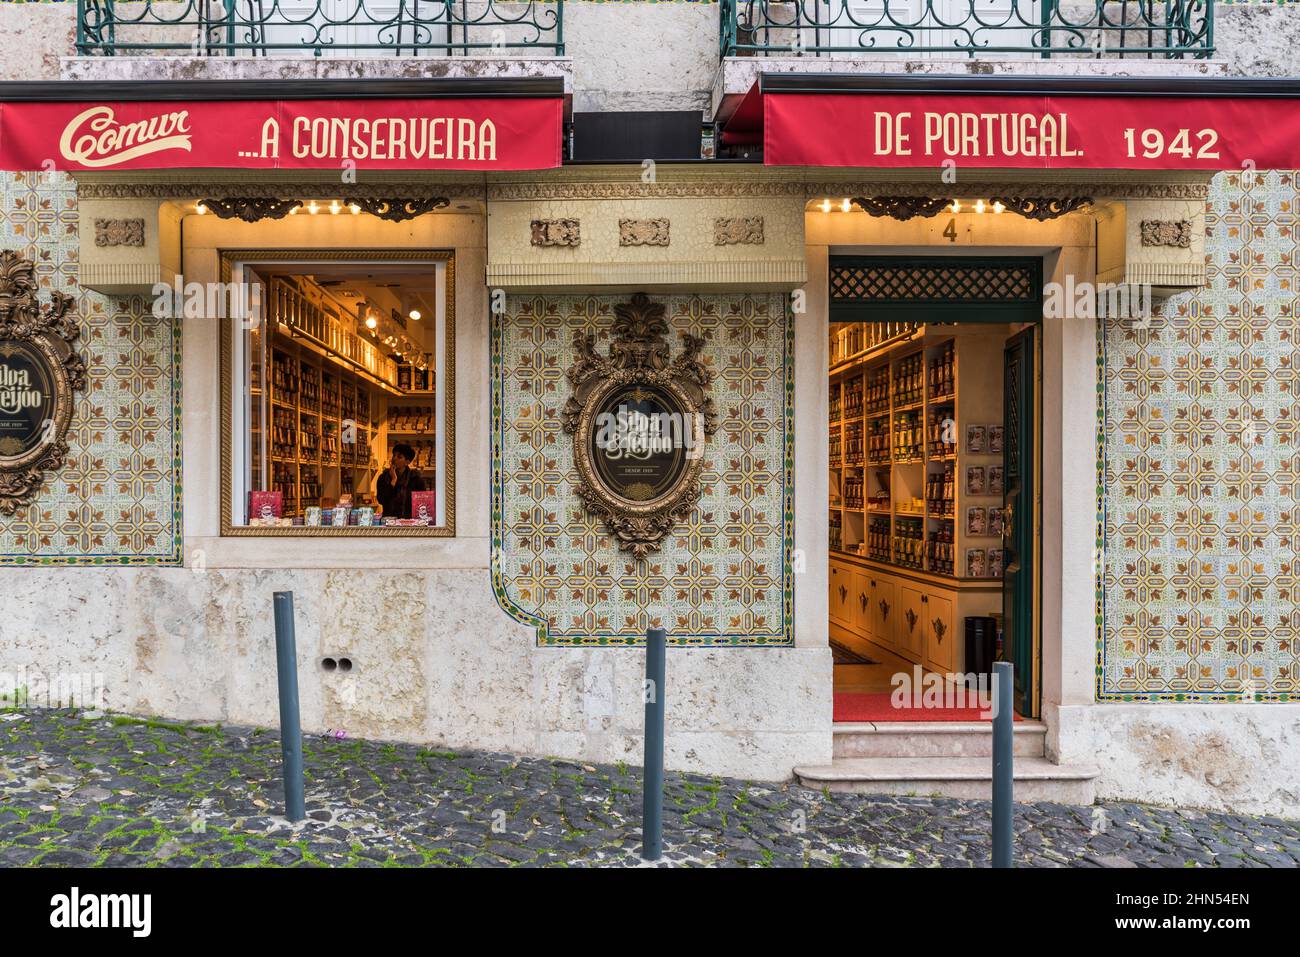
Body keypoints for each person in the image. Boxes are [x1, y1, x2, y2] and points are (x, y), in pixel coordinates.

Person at [375, 442, 426, 519]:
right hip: (389, 522)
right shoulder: (383, 478)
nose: (394, 458)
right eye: (394, 455)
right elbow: (381, 500)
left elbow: (422, 503)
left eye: (399, 457)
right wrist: (393, 481)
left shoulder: (416, 480)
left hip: (409, 522)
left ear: (407, 462)